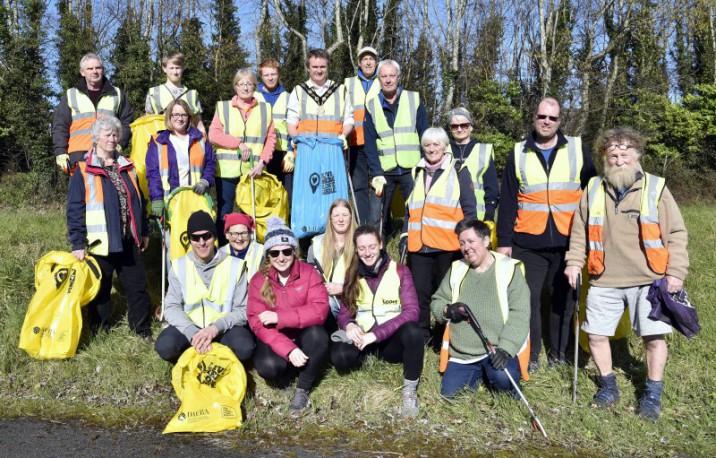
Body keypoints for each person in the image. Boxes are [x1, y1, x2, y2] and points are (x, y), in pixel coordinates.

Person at [564, 127, 688, 420]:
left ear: (637, 156)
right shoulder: (593, 188)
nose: (619, 160)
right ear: (605, 157)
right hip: (603, 278)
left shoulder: (656, 187)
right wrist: (572, 262)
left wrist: (676, 272)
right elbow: (579, 231)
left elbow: (677, 233)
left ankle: (652, 393)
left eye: (625, 154)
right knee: (594, 335)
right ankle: (608, 386)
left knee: (654, 337)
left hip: (648, 278)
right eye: (613, 154)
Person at [496, 97, 596, 370]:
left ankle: (559, 354)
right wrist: (504, 241)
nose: (546, 122)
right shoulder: (518, 152)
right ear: (534, 118)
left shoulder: (577, 148)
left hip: (569, 241)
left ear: (560, 121)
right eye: (542, 116)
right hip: (527, 240)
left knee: (563, 301)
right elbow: (507, 200)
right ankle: (532, 354)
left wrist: (592, 236)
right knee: (526, 301)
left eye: (552, 118)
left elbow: (593, 194)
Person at [66, 116, 150, 338]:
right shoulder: (84, 170)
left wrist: (143, 231)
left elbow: (140, 201)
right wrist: (77, 242)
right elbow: (74, 209)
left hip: (128, 239)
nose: (113, 139)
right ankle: (99, 331)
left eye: (115, 134)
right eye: (107, 135)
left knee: (137, 286)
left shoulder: (128, 166)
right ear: (96, 138)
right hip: (100, 243)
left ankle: (141, 330)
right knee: (101, 290)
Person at [331, 225, 423, 417]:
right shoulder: (352, 273)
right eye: (362, 248)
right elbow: (344, 313)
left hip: (390, 339)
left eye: (372, 246)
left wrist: (376, 335)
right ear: (356, 249)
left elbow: (412, 312)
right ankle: (368, 359)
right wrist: (349, 325)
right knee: (339, 357)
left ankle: (409, 391)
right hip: (363, 339)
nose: (367, 253)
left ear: (381, 244)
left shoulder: (400, 271)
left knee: (413, 331)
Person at [431, 219, 530, 398]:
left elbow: (521, 313)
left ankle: (494, 377)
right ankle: (480, 377)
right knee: (449, 394)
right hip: (463, 354)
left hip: (496, 350)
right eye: (462, 243)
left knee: (504, 381)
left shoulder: (509, 269)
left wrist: (506, 349)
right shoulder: (457, 269)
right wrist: (447, 310)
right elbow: (437, 300)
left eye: (471, 242)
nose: (466, 247)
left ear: (485, 241)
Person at [247, 217, 330, 418]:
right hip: (276, 338)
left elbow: (319, 310)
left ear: (294, 251)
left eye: (286, 251)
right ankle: (287, 376)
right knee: (268, 368)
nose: (281, 257)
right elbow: (257, 322)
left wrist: (279, 316)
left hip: (304, 334)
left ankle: (302, 388)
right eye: (275, 252)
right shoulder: (259, 280)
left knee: (319, 336)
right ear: (268, 255)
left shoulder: (309, 273)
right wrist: (288, 349)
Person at [401, 127, 477, 343]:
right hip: (419, 246)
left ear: (445, 147)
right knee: (420, 293)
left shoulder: (459, 170)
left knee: (447, 294)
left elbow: (469, 209)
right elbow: (409, 209)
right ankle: (422, 334)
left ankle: (445, 336)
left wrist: (467, 241)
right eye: (427, 144)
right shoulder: (416, 172)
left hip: (448, 246)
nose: (432, 149)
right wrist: (404, 236)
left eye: (436, 144)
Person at [154, 211, 255, 364]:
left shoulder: (236, 266)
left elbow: (242, 310)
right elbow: (171, 307)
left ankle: (214, 352)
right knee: (165, 346)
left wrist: (215, 328)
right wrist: (192, 332)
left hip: (223, 329)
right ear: (189, 240)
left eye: (206, 236)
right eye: (195, 237)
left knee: (244, 348)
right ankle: (196, 353)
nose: (202, 242)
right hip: (191, 328)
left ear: (214, 237)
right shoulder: (178, 266)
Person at [364, 59, 429, 238]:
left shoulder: (413, 99)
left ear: (398, 77)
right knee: (376, 213)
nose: (388, 80)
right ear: (378, 79)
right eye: (384, 76)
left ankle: (411, 241)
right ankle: (377, 247)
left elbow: (425, 133)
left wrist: (426, 162)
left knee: (416, 208)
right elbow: (369, 143)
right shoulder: (371, 105)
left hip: (413, 167)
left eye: (392, 76)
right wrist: (376, 172)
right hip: (384, 170)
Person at [209, 68, 276, 237]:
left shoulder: (265, 109)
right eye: (241, 84)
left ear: (255, 86)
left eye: (249, 84)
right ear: (235, 86)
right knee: (225, 212)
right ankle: (223, 249)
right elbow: (213, 135)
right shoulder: (223, 107)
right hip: (226, 172)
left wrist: (262, 163)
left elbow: (271, 139)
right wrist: (238, 144)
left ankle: (252, 251)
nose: (245, 87)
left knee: (252, 213)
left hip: (254, 171)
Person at [53, 53, 134, 172]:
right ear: (82, 72)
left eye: (98, 68)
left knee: (107, 191)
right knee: (80, 190)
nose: (94, 71)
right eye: (90, 68)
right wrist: (60, 152)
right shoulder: (71, 95)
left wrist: (120, 144)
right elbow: (60, 126)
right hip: (78, 158)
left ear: (103, 70)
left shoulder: (117, 94)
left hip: (108, 155)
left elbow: (127, 123)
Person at [145, 99, 216, 218]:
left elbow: (211, 163)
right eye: (176, 114)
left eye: (184, 115)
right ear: (169, 116)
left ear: (189, 117)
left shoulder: (200, 139)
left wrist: (205, 181)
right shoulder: (158, 141)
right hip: (170, 201)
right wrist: (157, 198)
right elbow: (153, 174)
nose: (180, 118)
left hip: (196, 199)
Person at [286, 48, 354, 158]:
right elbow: (291, 122)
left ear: (328, 68)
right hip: (306, 152)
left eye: (322, 67)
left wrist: (343, 135)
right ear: (308, 68)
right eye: (315, 67)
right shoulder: (299, 91)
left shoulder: (341, 90)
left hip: (334, 152)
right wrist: (295, 138)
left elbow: (349, 119)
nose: (319, 70)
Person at [344, 47, 382, 223]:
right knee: (358, 186)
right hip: (355, 142)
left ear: (376, 62)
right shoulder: (347, 83)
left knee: (379, 184)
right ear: (358, 62)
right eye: (365, 59)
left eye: (372, 59)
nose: (368, 62)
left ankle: (377, 224)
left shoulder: (384, 81)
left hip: (379, 143)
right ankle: (363, 224)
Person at [306, 199, 357, 321]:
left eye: (344, 215)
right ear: (330, 218)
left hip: (353, 299)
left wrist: (343, 289)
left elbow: (370, 281)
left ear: (351, 217)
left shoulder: (360, 243)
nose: (340, 219)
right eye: (336, 215)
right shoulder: (316, 244)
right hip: (324, 299)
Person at [446, 107, 499, 222]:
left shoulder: (483, 150)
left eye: (464, 125)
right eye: (454, 126)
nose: (459, 129)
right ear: (450, 129)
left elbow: (492, 187)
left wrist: (489, 216)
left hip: (477, 217)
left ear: (471, 127)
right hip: (448, 217)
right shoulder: (443, 151)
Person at [255, 59, 293, 203]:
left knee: (286, 196)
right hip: (260, 152)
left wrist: (291, 151)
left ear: (278, 75)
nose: (270, 78)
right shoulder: (253, 96)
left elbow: (293, 125)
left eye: (273, 74)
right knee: (264, 196)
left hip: (283, 153)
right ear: (261, 76)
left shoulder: (288, 97)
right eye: (266, 75)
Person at [145, 52, 205, 132]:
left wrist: (204, 142)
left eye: (177, 68)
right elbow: (148, 124)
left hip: (188, 142)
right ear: (164, 68)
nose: (175, 72)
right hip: (161, 141)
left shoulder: (192, 94)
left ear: (183, 68)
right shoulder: (154, 93)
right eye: (171, 68)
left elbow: (199, 124)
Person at [220, 212, 264, 280]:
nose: (240, 238)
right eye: (234, 234)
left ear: (250, 234)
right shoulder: (220, 254)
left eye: (244, 233)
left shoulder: (261, 252)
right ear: (227, 234)